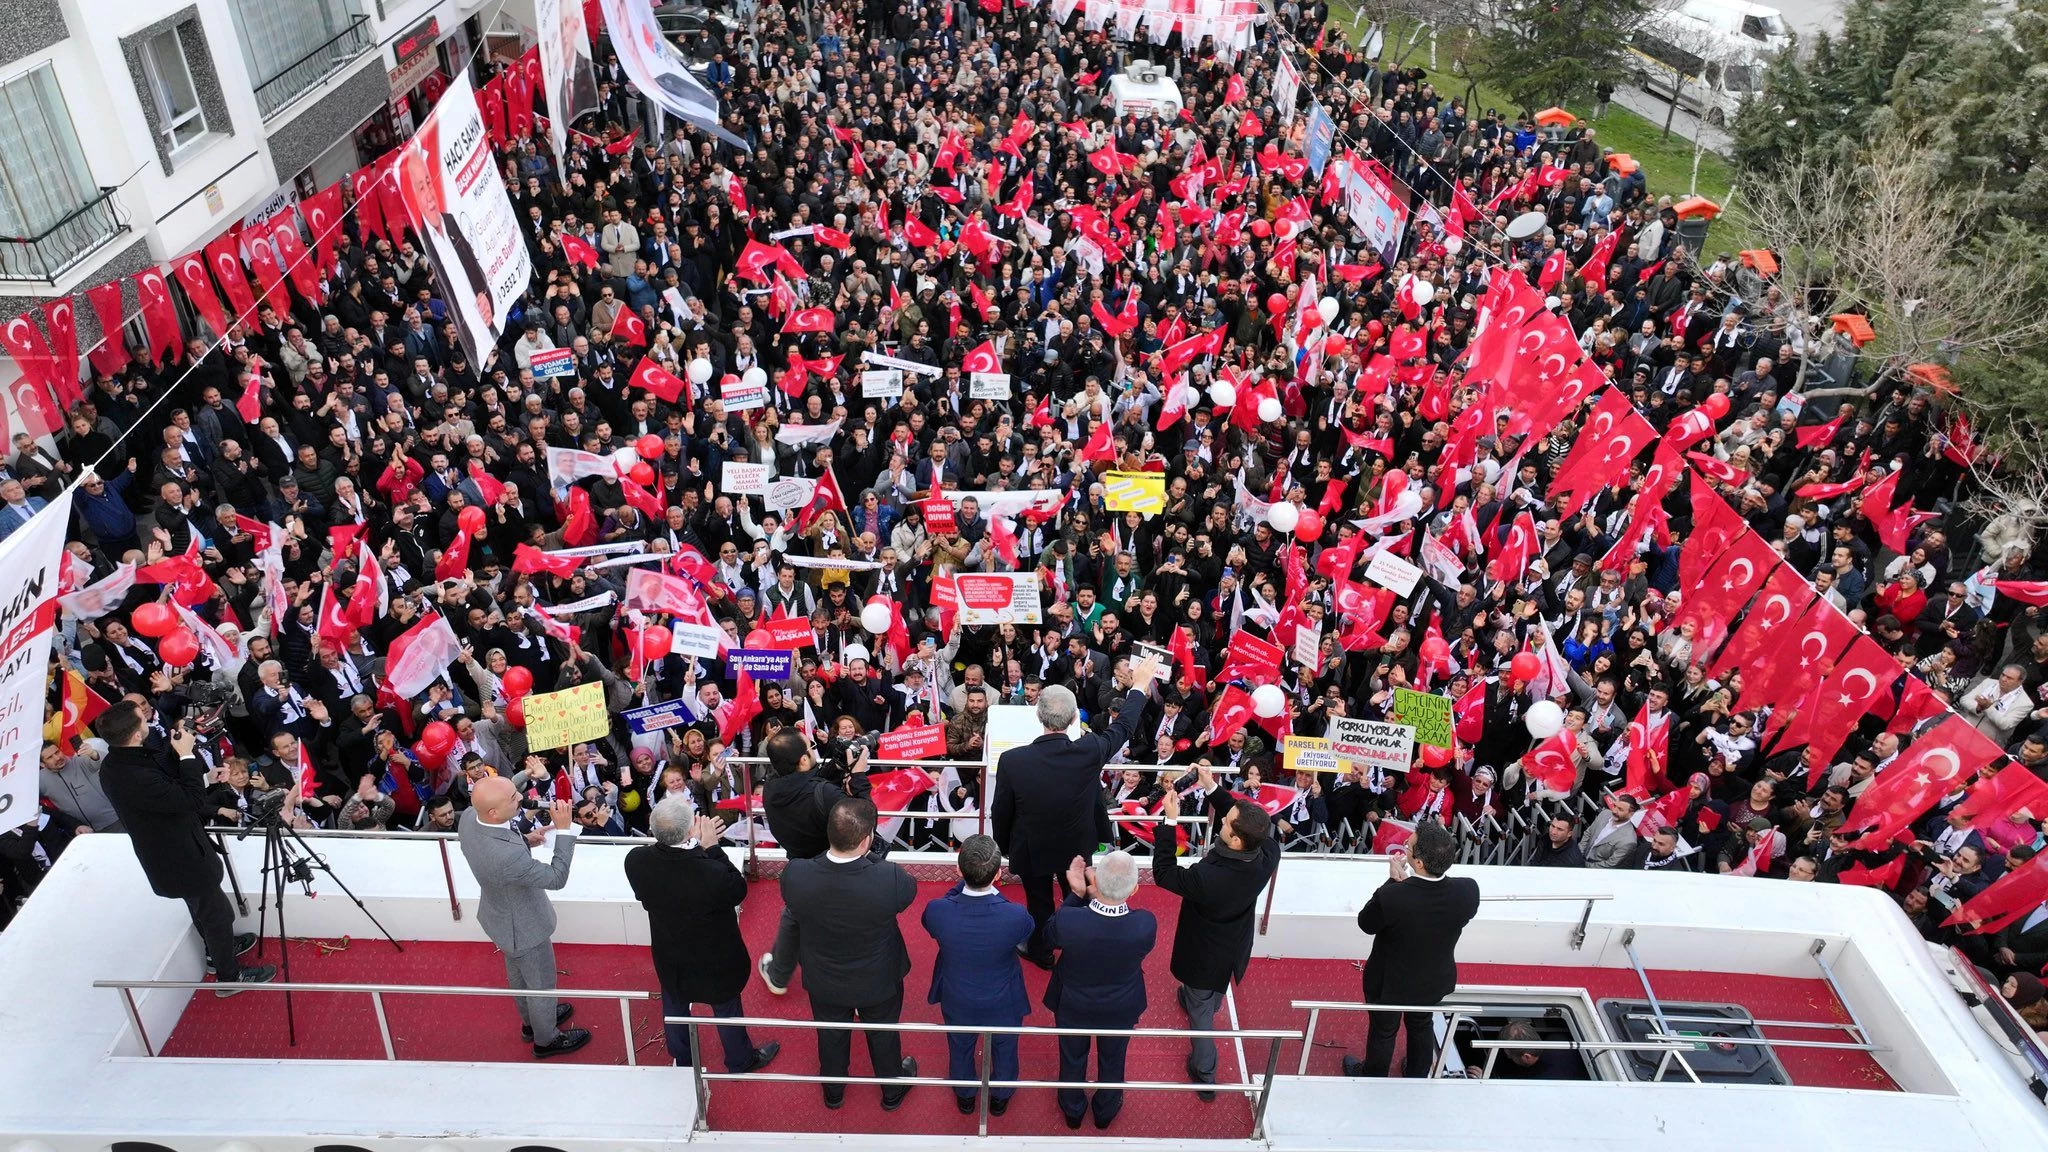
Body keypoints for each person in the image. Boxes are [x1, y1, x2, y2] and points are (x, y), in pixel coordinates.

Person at [992, 655, 1161, 967]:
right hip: (1076, 846)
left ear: (1039, 717)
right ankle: (1078, 947)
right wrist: (1138, 685)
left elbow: (1000, 811)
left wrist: (1005, 848)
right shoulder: (1090, 749)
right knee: (1081, 896)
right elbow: (1124, 725)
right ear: (1073, 720)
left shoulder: (1013, 760)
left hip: (1032, 849)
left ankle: (1041, 952)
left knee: (1039, 905)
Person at [96, 702, 274, 993]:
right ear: (136, 735)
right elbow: (188, 801)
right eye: (143, 718)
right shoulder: (134, 775)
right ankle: (229, 977)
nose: (149, 718)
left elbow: (169, 795)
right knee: (217, 915)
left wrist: (203, 776)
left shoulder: (119, 763)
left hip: (173, 855)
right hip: (181, 858)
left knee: (203, 909)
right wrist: (188, 754)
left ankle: (216, 951)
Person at [779, 796, 918, 1110]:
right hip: (879, 978)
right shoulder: (890, 877)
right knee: (883, 1034)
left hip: (824, 978)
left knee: (831, 1035)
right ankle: (891, 1092)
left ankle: (833, 1092)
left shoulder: (796, 875)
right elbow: (907, 893)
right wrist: (874, 862)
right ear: (868, 838)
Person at [623, 796, 779, 1073]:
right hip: (715, 959)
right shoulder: (710, 871)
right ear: (688, 830)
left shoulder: (636, 860)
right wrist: (711, 847)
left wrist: (696, 845)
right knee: (726, 1008)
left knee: (675, 1004)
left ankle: (682, 1060)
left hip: (670, 954)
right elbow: (737, 889)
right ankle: (740, 1060)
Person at [1155, 784, 1280, 1099]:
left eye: (1226, 822)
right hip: (1232, 945)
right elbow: (1243, 819)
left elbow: (1164, 873)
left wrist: (1171, 822)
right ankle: (1200, 1000)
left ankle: (1205, 1072)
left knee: (1201, 1015)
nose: (1221, 820)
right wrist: (1211, 786)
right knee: (1209, 993)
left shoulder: (1208, 878)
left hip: (1202, 953)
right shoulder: (1268, 853)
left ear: (1236, 840)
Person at [457, 775, 589, 1057]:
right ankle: (546, 1039)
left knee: (518, 976)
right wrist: (564, 831)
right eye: (513, 799)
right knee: (540, 983)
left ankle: (532, 1022)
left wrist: (525, 840)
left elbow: (498, 845)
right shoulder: (507, 858)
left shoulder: (470, 818)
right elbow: (556, 878)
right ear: (493, 812)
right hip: (525, 926)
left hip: (500, 917)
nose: (521, 799)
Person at [1344, 820, 1481, 1078]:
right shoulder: (1468, 891)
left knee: (1384, 1031)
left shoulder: (1394, 896)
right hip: (1433, 979)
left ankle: (1373, 1077)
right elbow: (1428, 904)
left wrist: (1394, 882)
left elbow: (1366, 923)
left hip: (1390, 982)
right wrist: (1406, 886)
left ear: (1418, 863)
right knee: (1422, 1024)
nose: (1406, 845)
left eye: (1410, 844)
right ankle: (1417, 1074)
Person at [920, 833, 1035, 1115]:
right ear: (998, 874)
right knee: (1005, 1047)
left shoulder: (937, 911)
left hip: (957, 995)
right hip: (1003, 998)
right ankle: (1001, 1097)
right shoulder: (1016, 915)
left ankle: (965, 1095)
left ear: (959, 870)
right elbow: (1025, 930)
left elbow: (939, 914)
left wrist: (965, 882)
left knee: (960, 1046)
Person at [1044, 849, 1156, 1130]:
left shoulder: (1070, 920)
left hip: (1072, 1003)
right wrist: (1097, 891)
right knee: (1113, 1059)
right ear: (1134, 889)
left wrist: (1077, 893)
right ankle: (1106, 1111)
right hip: (1121, 1006)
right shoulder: (1144, 924)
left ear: (1095, 881)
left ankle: (1072, 1109)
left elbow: (1048, 937)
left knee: (1071, 1057)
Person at [757, 727, 871, 994]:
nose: (813, 752)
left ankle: (778, 974)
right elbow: (863, 819)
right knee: (850, 927)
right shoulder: (825, 794)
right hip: (839, 867)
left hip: (800, 869)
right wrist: (858, 777)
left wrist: (837, 767)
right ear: (803, 760)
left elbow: (808, 784)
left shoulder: (772, 789)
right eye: (810, 749)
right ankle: (853, 991)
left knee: (795, 916)